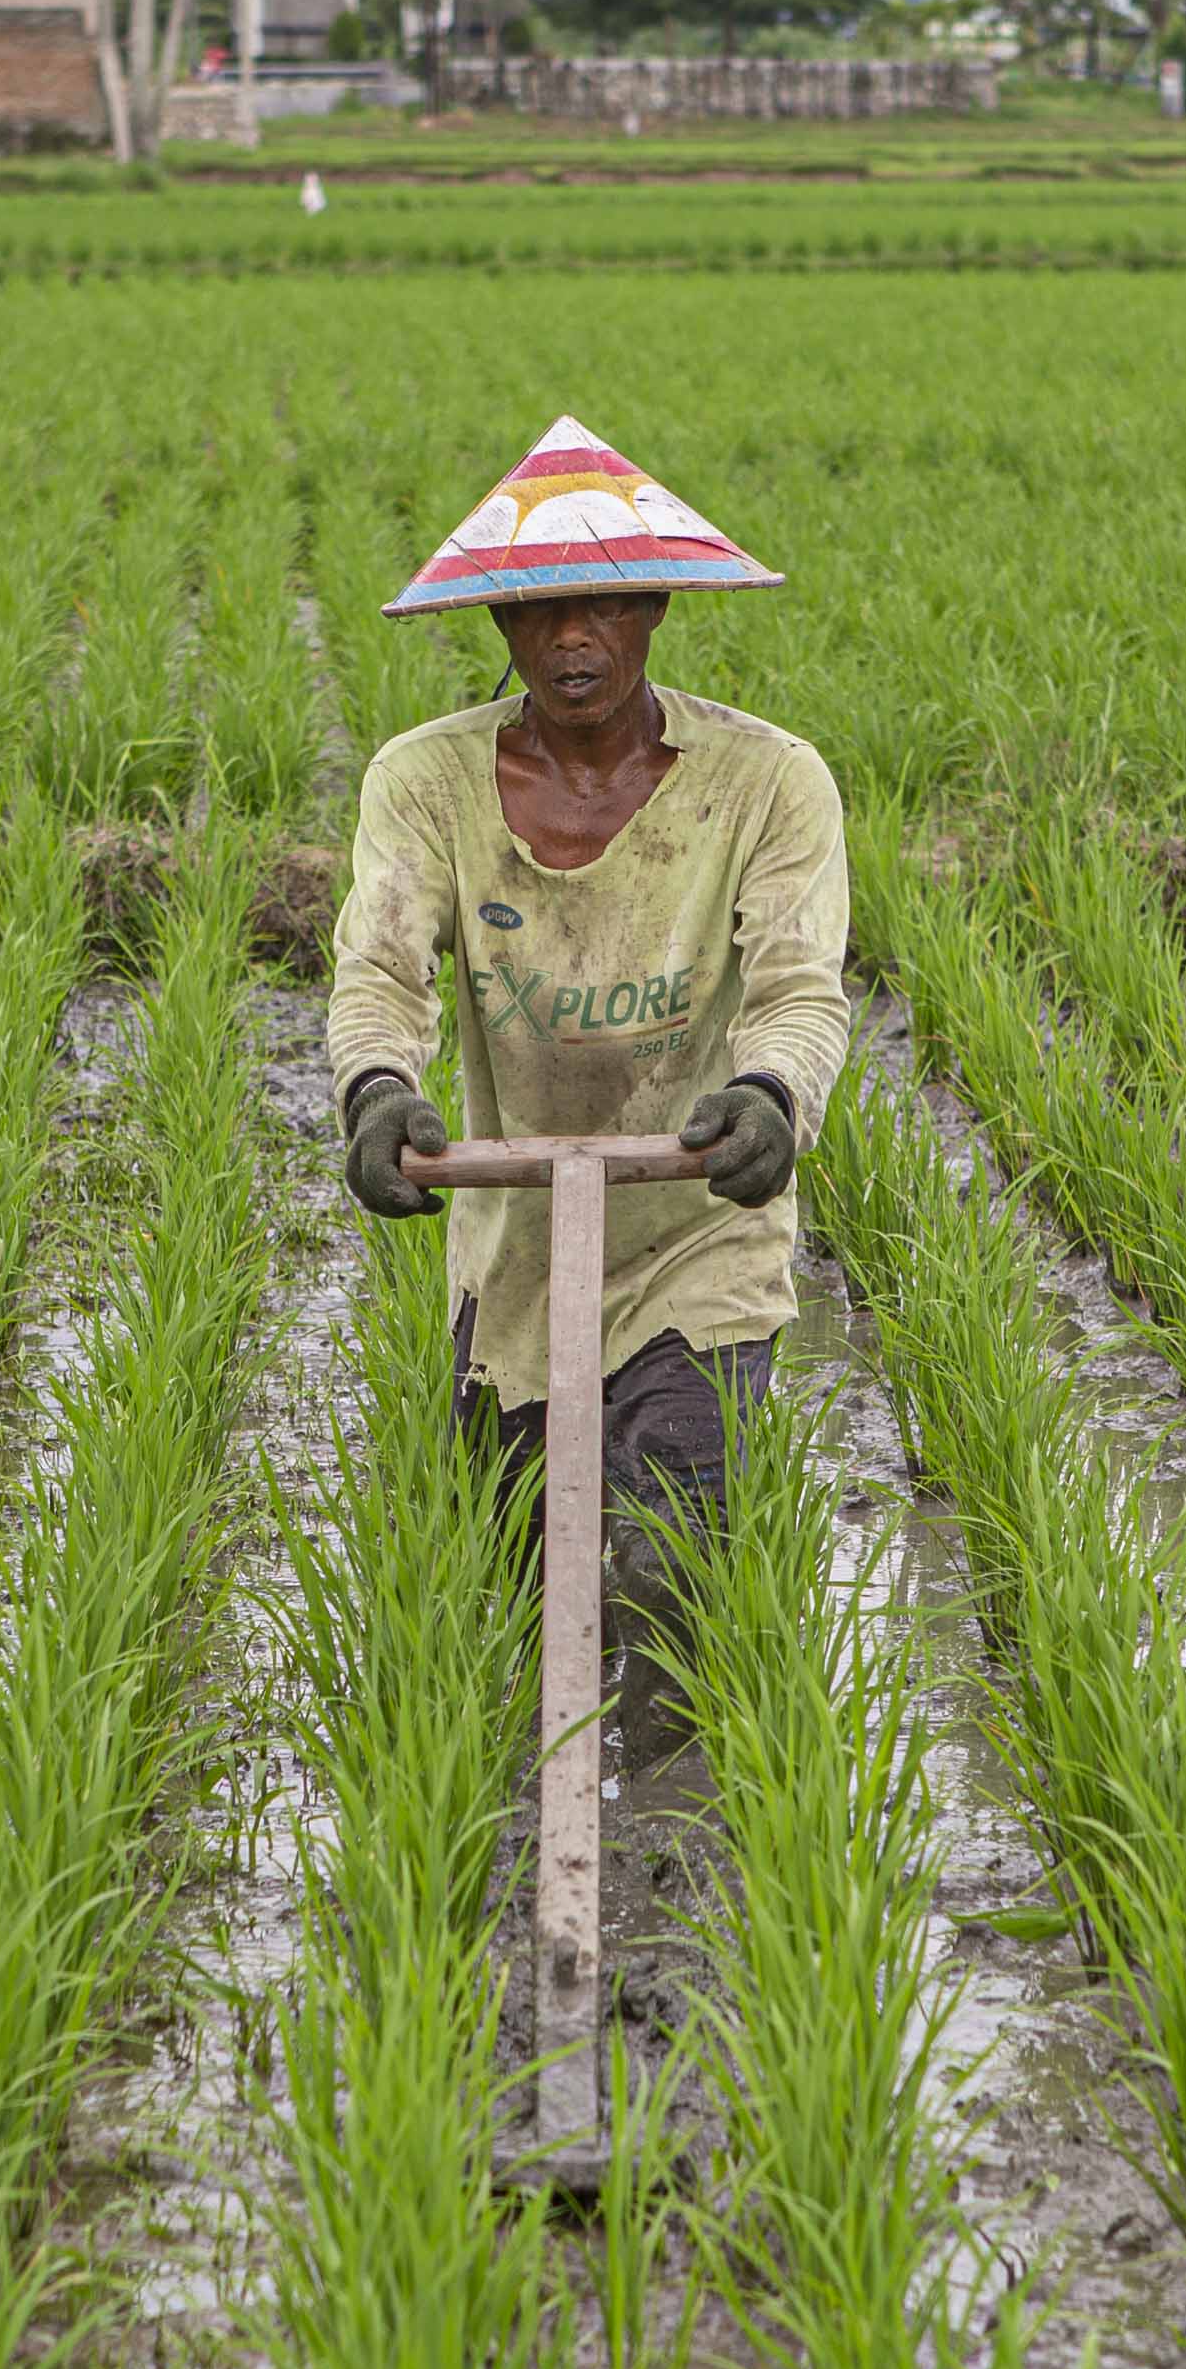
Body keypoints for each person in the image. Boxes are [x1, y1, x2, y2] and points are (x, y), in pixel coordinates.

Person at [323, 416, 849, 1555]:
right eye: (539, 608)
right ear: (501, 621)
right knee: (511, 1579)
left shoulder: (767, 782)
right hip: (516, 1246)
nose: (572, 636)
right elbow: (381, 968)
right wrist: (373, 1091)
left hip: (694, 1230)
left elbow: (800, 988)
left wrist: (769, 1096)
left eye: (603, 603)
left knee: (672, 1567)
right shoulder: (422, 783)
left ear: (654, 606)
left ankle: (673, 1746)